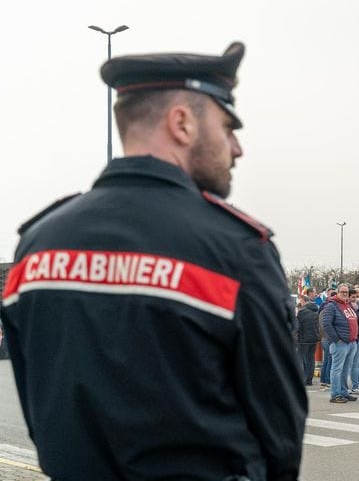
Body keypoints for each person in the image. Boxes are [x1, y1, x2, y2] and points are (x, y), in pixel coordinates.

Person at [0, 42, 307, 479]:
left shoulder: (37, 244)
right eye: (227, 127)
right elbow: (280, 431)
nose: (236, 148)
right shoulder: (236, 250)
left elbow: (37, 406)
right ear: (181, 122)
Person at [322, 283, 359, 403]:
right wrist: (336, 339)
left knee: (346, 369)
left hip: (352, 342)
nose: (345, 294)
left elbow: (358, 320)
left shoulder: (348, 305)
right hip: (340, 343)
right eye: (342, 292)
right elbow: (326, 324)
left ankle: (344, 392)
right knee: (337, 369)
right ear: (337, 292)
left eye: (346, 292)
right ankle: (335, 394)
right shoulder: (331, 306)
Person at [296, 293, 322, 385]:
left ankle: (302, 379)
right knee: (311, 359)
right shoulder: (316, 311)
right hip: (314, 338)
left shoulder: (302, 312)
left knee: (300, 359)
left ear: (304, 301)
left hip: (303, 339)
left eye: (301, 301)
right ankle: (309, 380)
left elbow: (297, 326)